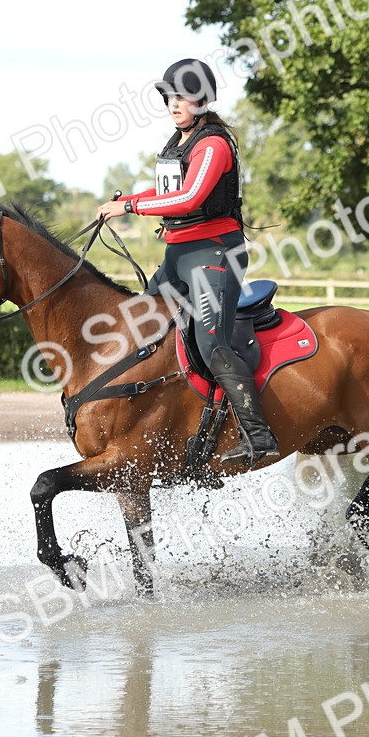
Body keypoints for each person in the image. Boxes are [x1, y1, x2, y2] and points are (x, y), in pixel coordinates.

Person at [95, 58, 278, 465]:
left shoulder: (212, 144)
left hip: (213, 256)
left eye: (182, 96)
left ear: (202, 100)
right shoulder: (178, 142)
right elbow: (171, 192)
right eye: (169, 96)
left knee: (211, 343)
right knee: (142, 326)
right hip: (177, 256)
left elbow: (190, 198)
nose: (173, 103)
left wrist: (129, 205)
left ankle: (258, 435)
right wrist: (138, 208)